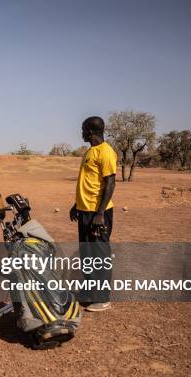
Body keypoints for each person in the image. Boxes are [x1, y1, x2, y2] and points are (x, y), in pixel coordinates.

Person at [69, 116, 116, 312]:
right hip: (85, 211)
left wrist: (100, 213)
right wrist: (76, 204)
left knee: (99, 254)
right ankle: (89, 292)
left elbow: (110, 183)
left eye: (82, 129)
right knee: (87, 254)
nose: (81, 132)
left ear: (90, 131)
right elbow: (90, 183)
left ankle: (103, 298)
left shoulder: (105, 152)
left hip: (98, 213)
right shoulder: (90, 151)